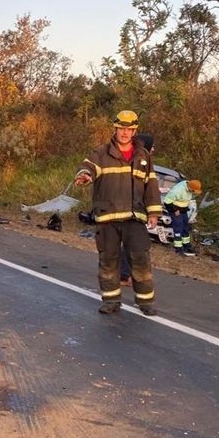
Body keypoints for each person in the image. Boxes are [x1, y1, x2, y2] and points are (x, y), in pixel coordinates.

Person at [74, 110, 162, 315]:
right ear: (115, 129)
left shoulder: (143, 156)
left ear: (134, 131)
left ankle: (145, 302)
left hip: (134, 218)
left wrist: (153, 212)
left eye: (129, 129)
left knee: (141, 258)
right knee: (109, 260)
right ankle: (111, 301)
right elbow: (88, 167)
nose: (124, 133)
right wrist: (85, 176)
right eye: (121, 128)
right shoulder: (101, 153)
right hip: (108, 218)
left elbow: (151, 186)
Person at [121, 134, 155, 285]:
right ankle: (123, 274)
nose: (153, 149)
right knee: (131, 244)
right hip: (130, 210)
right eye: (151, 146)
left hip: (135, 210)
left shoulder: (143, 162)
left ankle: (124, 273)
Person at [164, 179, 202, 256]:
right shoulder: (178, 190)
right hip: (175, 210)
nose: (194, 192)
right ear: (190, 187)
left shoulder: (189, 188)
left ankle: (186, 246)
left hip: (183, 210)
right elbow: (167, 201)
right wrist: (175, 210)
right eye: (193, 190)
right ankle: (178, 249)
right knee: (178, 229)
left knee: (185, 228)